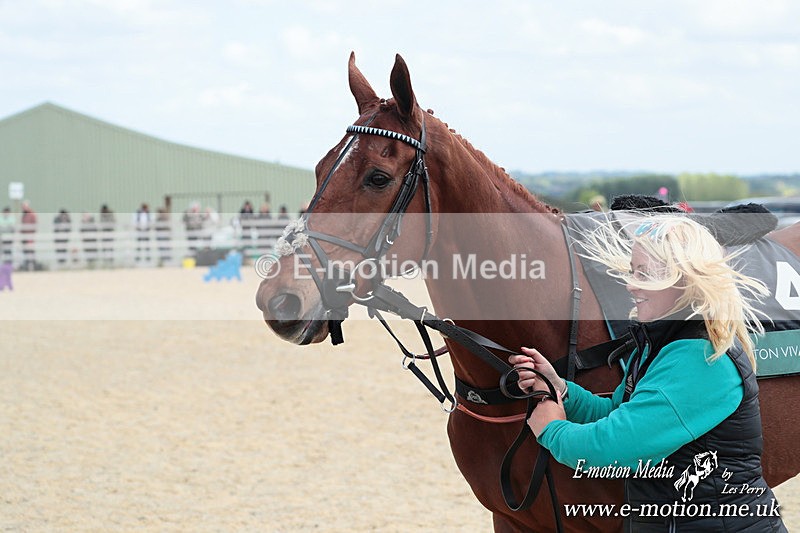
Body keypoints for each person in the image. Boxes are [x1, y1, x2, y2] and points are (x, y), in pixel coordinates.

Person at [510, 215, 786, 532]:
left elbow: (612, 450)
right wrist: (562, 391)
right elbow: (619, 414)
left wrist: (551, 428)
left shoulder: (700, 358)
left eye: (645, 273)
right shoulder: (663, 344)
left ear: (683, 280)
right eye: (632, 270)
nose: (630, 284)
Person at [20, 201, 37, 271]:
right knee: (25, 251)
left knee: (30, 251)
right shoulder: (24, 215)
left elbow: (34, 225)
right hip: (24, 236)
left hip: (29, 236)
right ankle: (27, 266)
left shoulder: (31, 214)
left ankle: (32, 266)